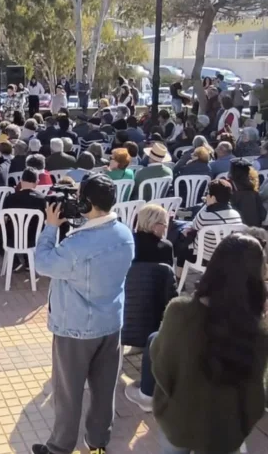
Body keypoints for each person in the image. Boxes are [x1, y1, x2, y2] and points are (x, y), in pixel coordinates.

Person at [31, 173, 134, 454]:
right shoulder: (125, 235)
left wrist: (51, 227)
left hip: (75, 329)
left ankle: (59, 448)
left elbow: (43, 263)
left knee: (68, 394)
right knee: (104, 391)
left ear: (87, 203)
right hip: (111, 324)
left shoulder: (77, 246)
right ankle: (97, 444)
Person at [147, 234, 268, 453]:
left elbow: (161, 368)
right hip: (225, 433)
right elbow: (255, 397)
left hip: (177, 422)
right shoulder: (258, 333)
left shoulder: (179, 313)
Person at [175, 179, 242, 267]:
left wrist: (206, 205)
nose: (206, 196)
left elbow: (194, 226)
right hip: (228, 257)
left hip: (205, 257)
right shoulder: (236, 215)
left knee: (182, 247)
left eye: (207, 194)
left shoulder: (204, 216)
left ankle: (179, 275)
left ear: (213, 198)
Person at [228, 158, 264, 227]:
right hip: (255, 229)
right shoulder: (253, 190)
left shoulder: (229, 189)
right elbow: (263, 214)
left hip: (238, 229)